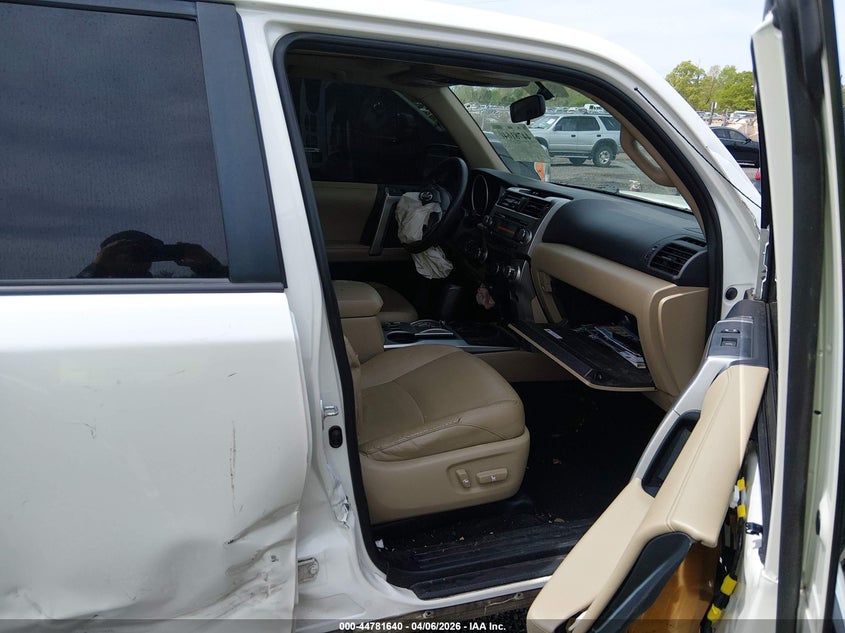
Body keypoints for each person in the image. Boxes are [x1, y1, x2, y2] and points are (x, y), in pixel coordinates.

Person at [77, 230, 226, 278]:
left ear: (154, 255)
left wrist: (208, 266)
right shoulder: (94, 295)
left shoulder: (174, 291)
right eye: (123, 252)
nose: (135, 255)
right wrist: (98, 267)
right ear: (106, 256)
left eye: (144, 251)